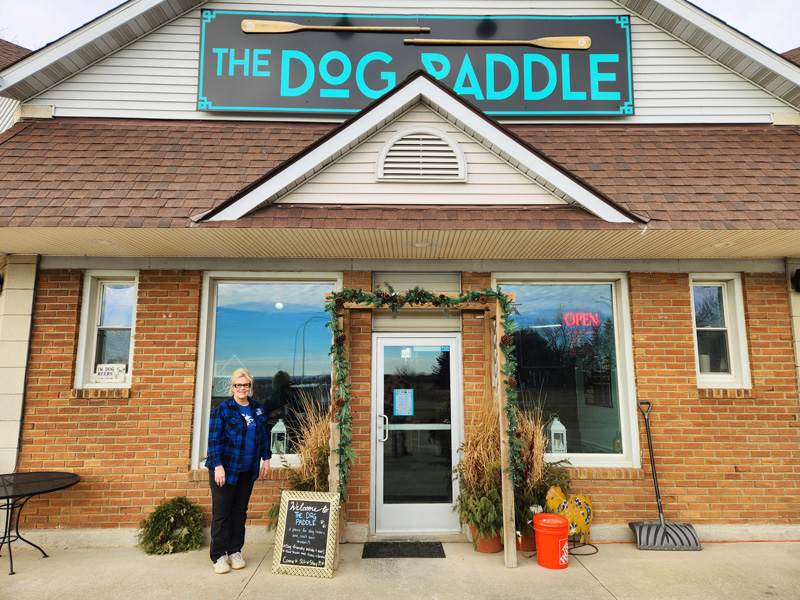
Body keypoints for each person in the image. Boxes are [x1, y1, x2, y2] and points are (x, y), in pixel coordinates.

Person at [206, 368, 271, 574]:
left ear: (250, 387)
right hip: (225, 470)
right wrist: (218, 467)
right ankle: (218, 556)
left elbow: (263, 435)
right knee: (222, 513)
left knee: (240, 512)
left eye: (245, 385)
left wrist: (266, 459)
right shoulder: (223, 410)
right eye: (238, 385)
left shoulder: (257, 409)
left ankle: (235, 551)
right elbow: (213, 440)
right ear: (232, 387)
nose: (241, 388)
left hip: (247, 470)